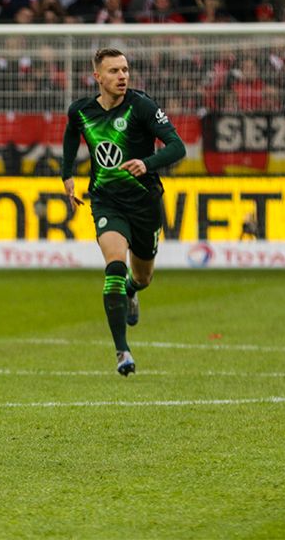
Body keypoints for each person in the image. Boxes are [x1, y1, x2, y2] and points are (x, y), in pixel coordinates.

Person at [61, 48, 185, 376]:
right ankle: (122, 351)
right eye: (114, 71)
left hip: (145, 202)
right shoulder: (81, 111)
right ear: (97, 77)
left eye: (125, 70)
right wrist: (67, 174)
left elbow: (177, 146)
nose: (122, 76)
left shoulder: (141, 105)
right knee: (114, 266)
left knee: (142, 276)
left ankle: (133, 290)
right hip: (106, 201)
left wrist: (147, 162)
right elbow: (72, 134)